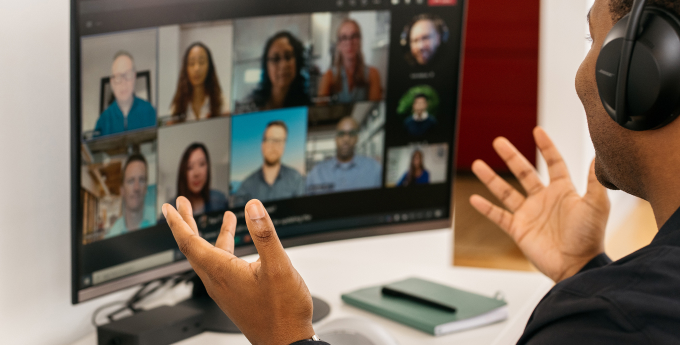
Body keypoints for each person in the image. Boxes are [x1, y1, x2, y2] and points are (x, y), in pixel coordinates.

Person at [161, 1, 680, 344]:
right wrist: (586, 269)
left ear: (641, 73)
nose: (579, 75)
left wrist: (285, 336)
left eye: (594, 43)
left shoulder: (604, 323)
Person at [235, 32, 311, 114]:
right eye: (275, 59)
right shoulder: (249, 108)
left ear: (297, 61)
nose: (283, 65)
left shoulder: (307, 106)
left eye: (288, 57)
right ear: (266, 66)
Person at [306, 116, 382, 195]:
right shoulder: (316, 173)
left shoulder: (374, 169)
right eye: (341, 133)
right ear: (335, 138)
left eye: (352, 133)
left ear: (357, 138)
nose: (346, 139)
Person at [234, 121, 305, 205]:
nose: (274, 146)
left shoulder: (296, 179)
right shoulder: (247, 185)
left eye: (279, 141)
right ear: (262, 145)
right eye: (270, 140)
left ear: (284, 146)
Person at [317, 19, 382, 104]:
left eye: (354, 36)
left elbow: (374, 106)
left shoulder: (373, 74)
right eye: (344, 37)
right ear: (338, 44)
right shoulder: (328, 76)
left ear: (360, 41)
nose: (349, 42)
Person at [94, 51, 156, 137]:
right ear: (112, 83)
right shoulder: (103, 121)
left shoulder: (149, 111)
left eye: (128, 75)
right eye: (118, 77)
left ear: (134, 77)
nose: (123, 82)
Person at [169, 43, 225, 123]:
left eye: (201, 62)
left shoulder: (221, 101)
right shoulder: (177, 105)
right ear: (186, 68)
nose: (196, 68)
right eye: (192, 63)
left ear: (209, 66)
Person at [106, 154, 156, 238]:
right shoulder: (112, 236)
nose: (136, 188)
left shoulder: (160, 220)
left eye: (141, 180)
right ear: (122, 190)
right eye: (131, 181)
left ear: (146, 187)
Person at [172, 143, 228, 216]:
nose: (196, 173)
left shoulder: (220, 200)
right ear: (183, 172)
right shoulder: (171, 210)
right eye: (190, 167)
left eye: (201, 164)